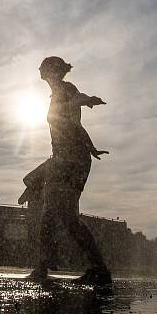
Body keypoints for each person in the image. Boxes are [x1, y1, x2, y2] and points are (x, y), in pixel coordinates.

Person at [28, 56, 111, 284]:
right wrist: (92, 147)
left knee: (64, 217)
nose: (39, 69)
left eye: (43, 66)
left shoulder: (67, 89)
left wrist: (87, 100)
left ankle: (97, 269)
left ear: (53, 71)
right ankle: (46, 267)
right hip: (64, 159)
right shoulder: (55, 95)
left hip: (72, 161)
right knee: (54, 215)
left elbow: (76, 100)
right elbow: (77, 126)